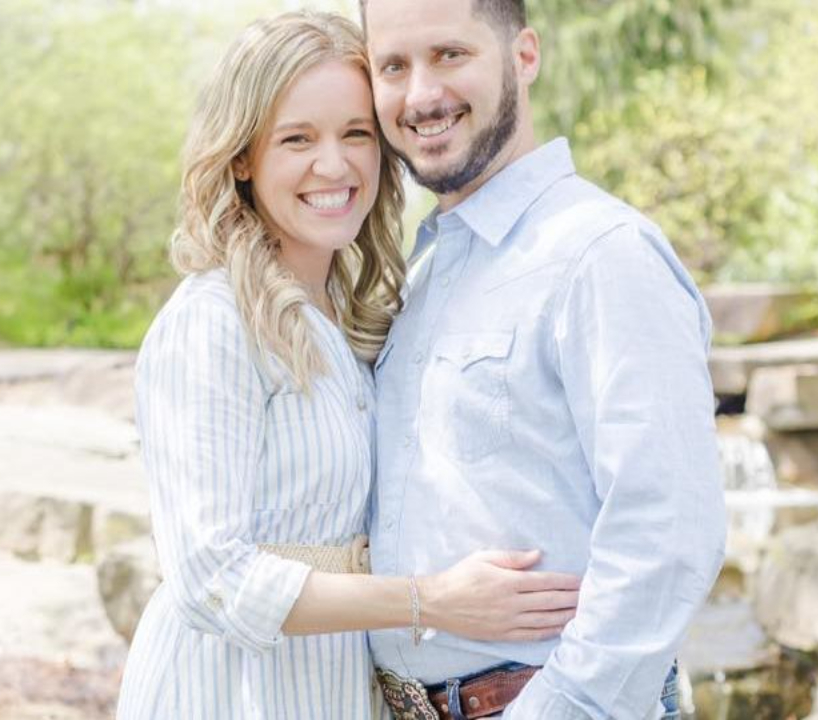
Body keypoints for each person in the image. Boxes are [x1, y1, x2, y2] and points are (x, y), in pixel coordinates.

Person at [115, 11, 582, 720]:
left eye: (356, 134)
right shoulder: (212, 322)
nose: (333, 166)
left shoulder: (356, 319)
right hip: (230, 692)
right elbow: (210, 577)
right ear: (242, 158)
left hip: (332, 690)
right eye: (297, 139)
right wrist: (433, 600)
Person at [359, 0, 729, 718]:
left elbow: (669, 533)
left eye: (450, 54)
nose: (421, 94)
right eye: (393, 66)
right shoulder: (420, 272)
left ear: (523, 56)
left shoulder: (601, 253)